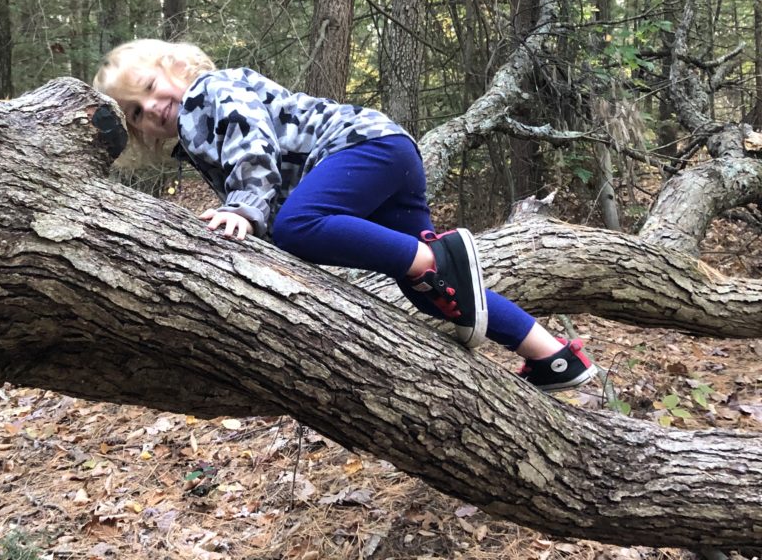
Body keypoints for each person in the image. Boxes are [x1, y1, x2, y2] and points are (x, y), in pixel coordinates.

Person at [93, 39, 595, 392]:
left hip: (361, 148)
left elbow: (254, 145)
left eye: (152, 86)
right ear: (140, 134)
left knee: (296, 225)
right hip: (381, 164)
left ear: (176, 66)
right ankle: (552, 356)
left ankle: (431, 256)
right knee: (433, 293)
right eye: (135, 112)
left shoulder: (212, 91)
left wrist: (243, 209)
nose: (152, 106)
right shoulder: (194, 133)